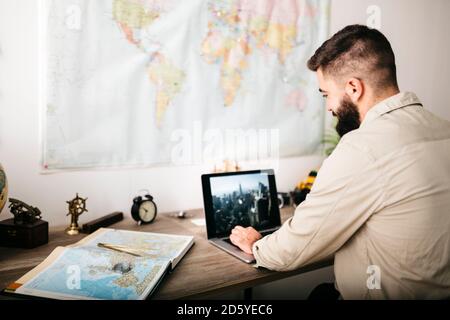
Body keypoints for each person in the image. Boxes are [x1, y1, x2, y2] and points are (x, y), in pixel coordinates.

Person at [230, 24, 450, 299]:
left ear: (354, 88)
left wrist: (257, 245)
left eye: (326, 94)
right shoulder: (444, 129)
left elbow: (293, 249)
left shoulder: (362, 148)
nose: (329, 107)